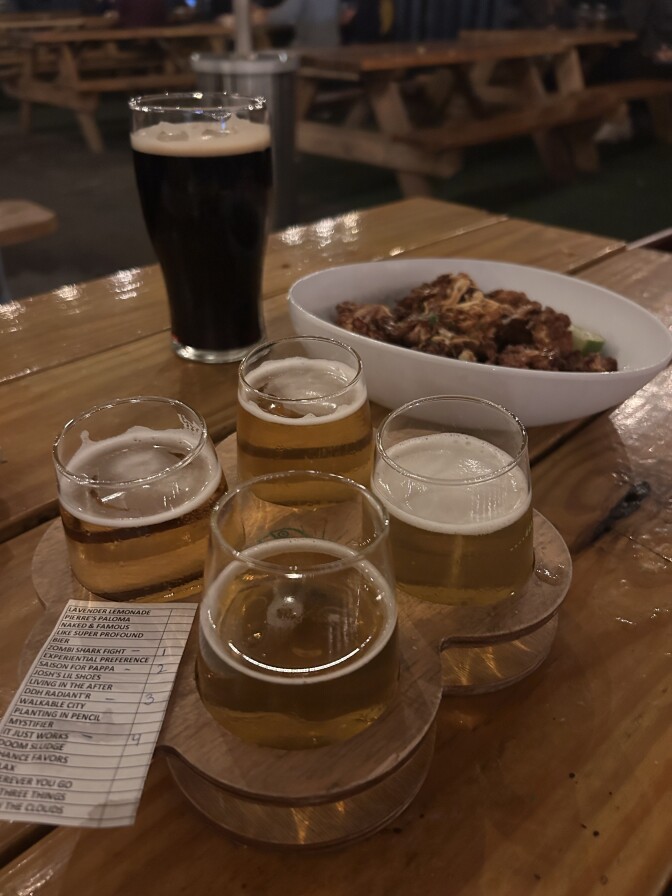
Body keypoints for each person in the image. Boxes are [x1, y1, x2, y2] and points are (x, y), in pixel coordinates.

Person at [220, 0, 346, 47]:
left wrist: (262, 15)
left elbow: (284, 16)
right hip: (334, 45)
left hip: (309, 48)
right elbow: (342, 14)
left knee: (263, 57)